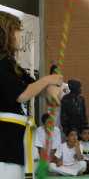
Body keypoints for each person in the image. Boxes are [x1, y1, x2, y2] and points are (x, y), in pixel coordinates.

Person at [0, 11, 62, 179]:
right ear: (10, 33)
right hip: (4, 140)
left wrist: (48, 89)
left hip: (13, 138)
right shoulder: (2, 65)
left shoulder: (13, 66)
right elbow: (22, 94)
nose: (21, 35)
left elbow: (31, 86)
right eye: (19, 31)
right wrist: (49, 80)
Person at [47, 64, 70, 128]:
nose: (57, 74)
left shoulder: (66, 86)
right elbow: (49, 102)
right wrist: (63, 101)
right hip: (53, 113)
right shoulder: (48, 86)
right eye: (55, 72)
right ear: (51, 74)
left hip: (64, 113)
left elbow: (69, 101)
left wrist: (59, 101)